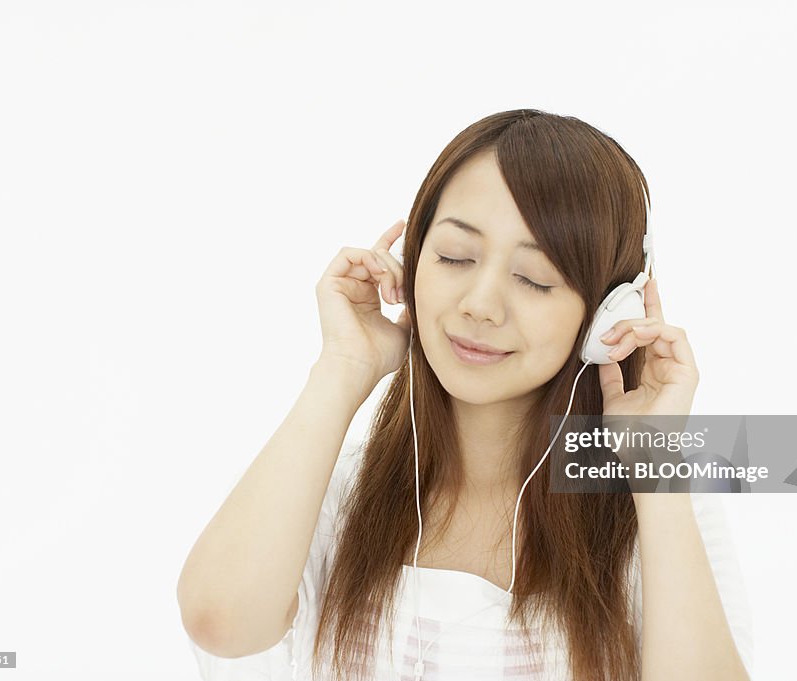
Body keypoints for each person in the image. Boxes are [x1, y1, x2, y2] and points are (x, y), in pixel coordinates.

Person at [177, 109, 754, 681]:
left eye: (534, 278)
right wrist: (342, 368)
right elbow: (222, 624)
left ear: (608, 314)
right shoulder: (339, 491)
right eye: (454, 257)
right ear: (410, 264)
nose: (480, 303)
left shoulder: (656, 503)